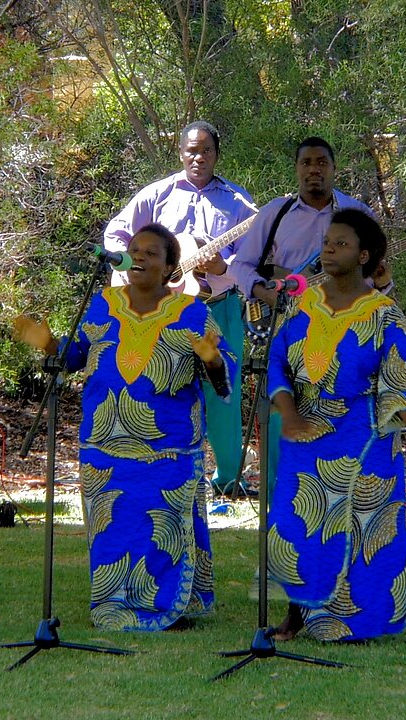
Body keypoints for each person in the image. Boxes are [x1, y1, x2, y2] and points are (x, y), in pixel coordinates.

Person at [14, 224, 237, 631]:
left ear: (171, 267)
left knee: (161, 527)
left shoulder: (193, 311)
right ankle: (115, 602)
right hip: (105, 444)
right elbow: (75, 355)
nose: (140, 257)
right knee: (114, 528)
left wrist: (213, 360)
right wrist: (49, 344)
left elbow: (227, 374)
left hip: (167, 448)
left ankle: (163, 603)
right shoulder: (101, 303)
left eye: (152, 253)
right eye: (135, 250)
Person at [265, 209, 406, 642]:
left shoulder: (386, 315)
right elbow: (277, 360)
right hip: (305, 434)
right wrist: (288, 411)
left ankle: (358, 620)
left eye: (342, 244)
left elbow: (399, 375)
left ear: (364, 256)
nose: (329, 250)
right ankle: (296, 614)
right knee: (298, 525)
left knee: (360, 529)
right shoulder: (302, 304)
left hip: (362, 438)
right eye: (328, 242)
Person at [104, 121, 255, 497]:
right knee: (160, 387)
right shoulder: (156, 195)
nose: (198, 157)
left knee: (225, 391)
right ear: (180, 153)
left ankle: (227, 481)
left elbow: (253, 259)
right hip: (162, 313)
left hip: (217, 307)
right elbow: (115, 235)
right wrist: (134, 270)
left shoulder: (239, 203)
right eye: (191, 150)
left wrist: (221, 268)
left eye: (206, 150)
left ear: (217, 154)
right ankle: (157, 467)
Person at [229, 137, 386, 313]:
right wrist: (265, 293)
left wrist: (383, 282)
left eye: (322, 162)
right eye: (306, 163)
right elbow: (240, 265)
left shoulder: (360, 215)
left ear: (334, 168)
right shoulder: (275, 213)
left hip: (347, 320)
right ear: (297, 168)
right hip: (290, 323)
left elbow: (377, 277)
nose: (314, 170)